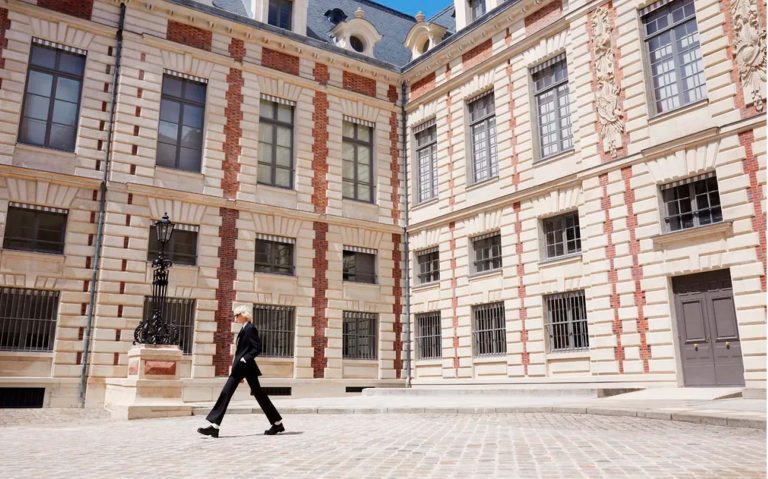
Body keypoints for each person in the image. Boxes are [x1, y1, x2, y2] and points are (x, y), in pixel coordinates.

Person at [197, 306, 284, 438]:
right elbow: (241, 350)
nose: (235, 318)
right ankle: (277, 424)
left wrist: (244, 359)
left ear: (244, 315)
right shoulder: (244, 329)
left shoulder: (250, 328)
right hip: (243, 368)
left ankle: (214, 426)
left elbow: (257, 348)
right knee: (258, 393)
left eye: (237, 315)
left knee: (227, 392)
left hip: (244, 365)